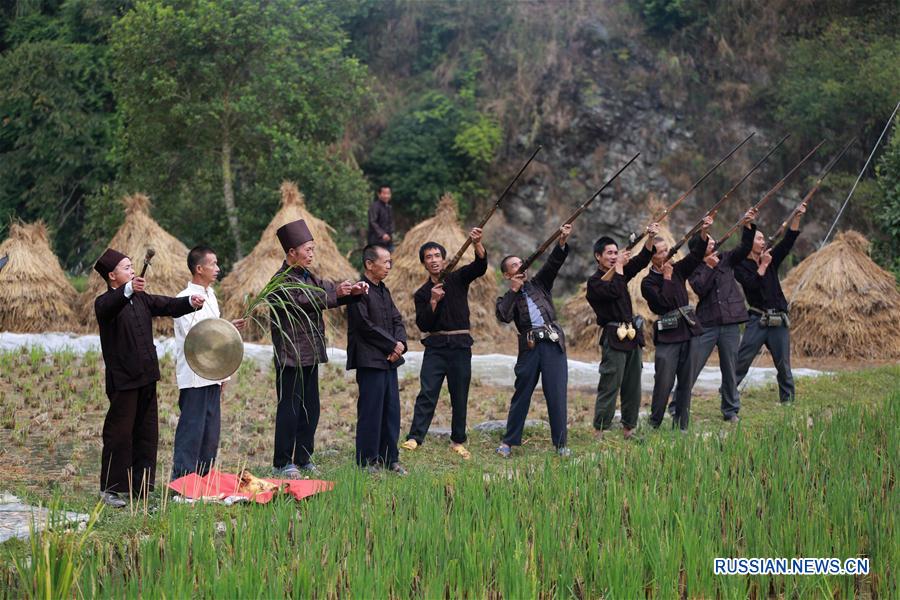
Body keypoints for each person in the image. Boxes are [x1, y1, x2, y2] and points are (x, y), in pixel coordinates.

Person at [93, 248, 204, 507]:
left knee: (146, 432)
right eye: (126, 267)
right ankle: (110, 489)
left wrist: (189, 302)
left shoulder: (141, 299)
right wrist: (129, 289)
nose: (132, 270)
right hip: (123, 379)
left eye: (133, 266)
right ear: (112, 276)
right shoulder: (105, 303)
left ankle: (140, 487)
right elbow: (111, 304)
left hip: (146, 376)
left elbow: (166, 305)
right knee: (119, 433)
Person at [269, 219, 368, 478]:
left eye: (313, 249)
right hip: (290, 355)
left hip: (310, 352)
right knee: (289, 408)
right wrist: (336, 292)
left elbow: (324, 291)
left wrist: (350, 291)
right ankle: (282, 462)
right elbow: (305, 298)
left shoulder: (308, 275)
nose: (311, 254)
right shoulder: (281, 281)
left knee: (310, 407)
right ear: (291, 252)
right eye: (307, 249)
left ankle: (303, 457)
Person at [401, 228, 488, 460]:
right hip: (436, 348)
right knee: (427, 392)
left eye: (436, 255)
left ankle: (458, 440)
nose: (433, 260)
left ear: (443, 258)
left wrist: (477, 243)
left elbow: (480, 266)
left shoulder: (458, 278)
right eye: (428, 257)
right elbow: (423, 324)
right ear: (424, 263)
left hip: (460, 345)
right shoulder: (422, 293)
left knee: (459, 394)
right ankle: (415, 437)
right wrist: (433, 301)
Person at [494, 224, 573, 458]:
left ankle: (561, 444)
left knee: (556, 393)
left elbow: (553, 264)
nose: (521, 267)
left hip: (552, 342)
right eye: (515, 266)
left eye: (521, 263)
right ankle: (509, 442)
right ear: (508, 274)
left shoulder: (540, 284)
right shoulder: (507, 297)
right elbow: (503, 316)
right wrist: (514, 291)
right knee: (522, 393)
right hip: (529, 347)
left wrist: (561, 242)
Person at [170, 246, 246, 480]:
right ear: (199, 268)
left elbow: (214, 330)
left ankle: (203, 479)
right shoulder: (183, 299)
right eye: (212, 264)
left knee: (210, 432)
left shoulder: (211, 295)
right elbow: (198, 339)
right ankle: (182, 481)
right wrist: (222, 331)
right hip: (194, 376)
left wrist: (228, 328)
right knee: (191, 430)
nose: (217, 268)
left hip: (213, 374)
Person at [586, 223, 659, 440]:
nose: (613, 256)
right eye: (609, 253)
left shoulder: (619, 273)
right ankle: (599, 429)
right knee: (610, 383)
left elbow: (640, 261)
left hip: (632, 335)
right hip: (613, 336)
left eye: (616, 253)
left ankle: (630, 428)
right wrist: (618, 268)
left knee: (632, 386)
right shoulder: (594, 283)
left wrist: (649, 238)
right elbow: (615, 290)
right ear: (598, 256)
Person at [686, 208, 758, 422]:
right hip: (707, 323)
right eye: (707, 242)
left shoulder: (726, 258)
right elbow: (700, 288)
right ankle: (678, 405)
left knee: (730, 369)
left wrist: (747, 225)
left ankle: (731, 410)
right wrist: (709, 267)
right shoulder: (694, 268)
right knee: (693, 366)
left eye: (712, 241)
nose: (712, 244)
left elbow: (745, 247)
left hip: (730, 323)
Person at [640, 217, 711, 431]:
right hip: (668, 336)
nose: (666, 255)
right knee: (663, 381)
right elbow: (664, 303)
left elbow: (697, 255)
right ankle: (655, 421)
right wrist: (669, 279)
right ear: (652, 258)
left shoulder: (678, 269)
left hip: (688, 331)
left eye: (667, 250)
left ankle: (682, 424)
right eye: (660, 252)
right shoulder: (648, 283)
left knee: (686, 381)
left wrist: (704, 232)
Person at [732, 202, 807, 405]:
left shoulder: (770, 258)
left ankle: (788, 400)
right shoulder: (740, 266)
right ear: (749, 243)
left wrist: (797, 217)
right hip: (757, 319)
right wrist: (763, 265)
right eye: (758, 238)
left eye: (764, 238)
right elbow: (752, 285)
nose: (763, 242)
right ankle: (728, 393)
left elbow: (788, 242)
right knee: (742, 361)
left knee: (783, 365)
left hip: (779, 319)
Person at [347, 244, 408, 473]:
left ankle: (390, 458)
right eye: (385, 262)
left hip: (390, 360)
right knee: (371, 411)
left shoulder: (384, 290)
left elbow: (397, 320)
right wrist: (392, 344)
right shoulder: (358, 291)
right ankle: (367, 460)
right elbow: (365, 326)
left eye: (390, 262)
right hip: (369, 360)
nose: (389, 266)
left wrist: (400, 345)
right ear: (369, 264)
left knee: (391, 410)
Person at [367, 185, 395, 251]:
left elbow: (391, 222)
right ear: (379, 194)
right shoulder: (374, 207)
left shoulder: (388, 207)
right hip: (376, 241)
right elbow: (372, 222)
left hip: (388, 241)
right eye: (384, 193)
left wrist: (391, 232)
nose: (386, 196)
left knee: (391, 259)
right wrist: (382, 234)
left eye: (388, 193)